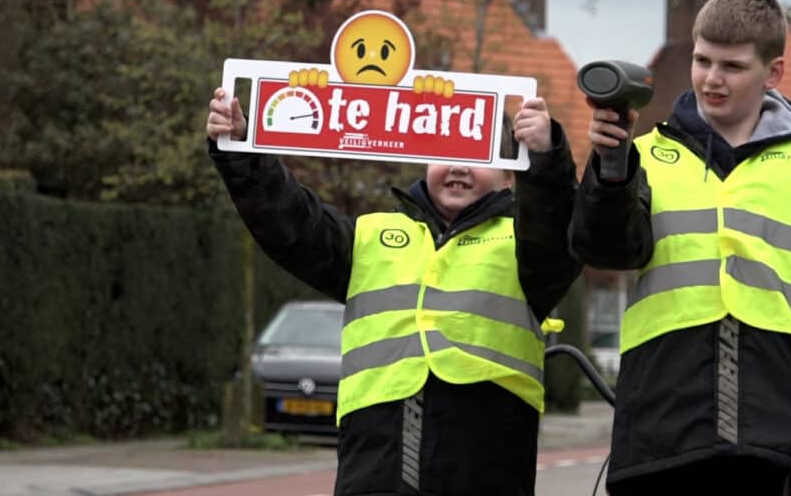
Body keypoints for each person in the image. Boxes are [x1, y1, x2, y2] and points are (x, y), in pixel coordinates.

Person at [570, 0, 791, 494]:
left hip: (773, 444)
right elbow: (603, 251)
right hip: (659, 439)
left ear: (772, 73)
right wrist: (610, 173)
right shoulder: (642, 155)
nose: (711, 79)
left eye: (731, 67)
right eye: (701, 60)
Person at [206, 79, 581, 496]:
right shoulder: (370, 235)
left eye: (476, 154)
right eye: (446, 152)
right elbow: (289, 223)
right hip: (373, 468)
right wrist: (240, 151)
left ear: (511, 176)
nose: (458, 166)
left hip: (485, 468)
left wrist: (547, 164)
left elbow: (558, 229)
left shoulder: (528, 245)